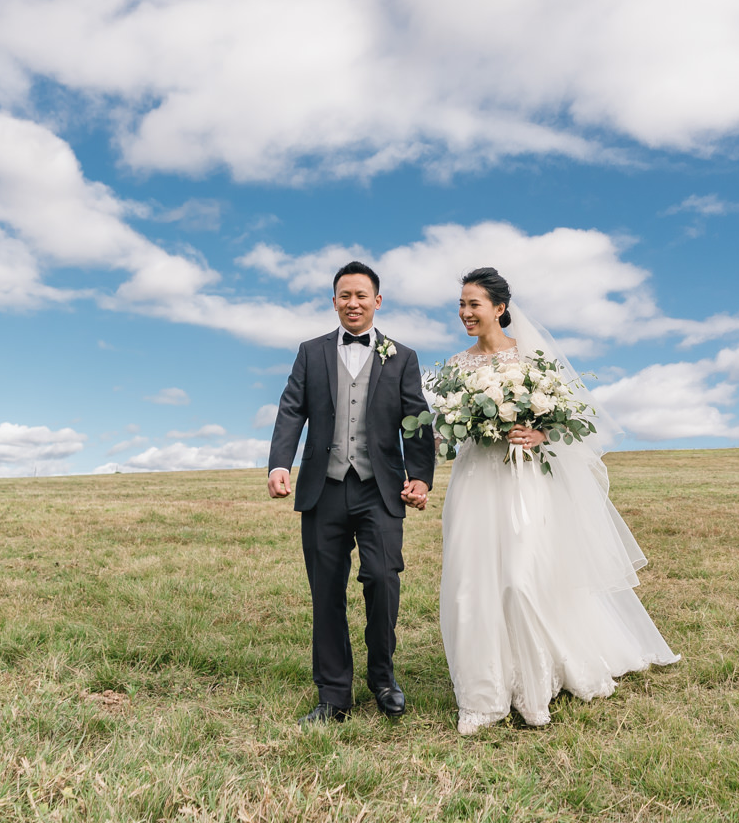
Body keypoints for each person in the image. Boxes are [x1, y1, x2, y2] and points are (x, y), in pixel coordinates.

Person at [438, 267, 679, 735]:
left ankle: (532, 687)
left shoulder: (532, 360)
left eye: (474, 304)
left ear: (500, 309)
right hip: (475, 480)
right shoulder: (456, 366)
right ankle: (483, 695)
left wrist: (539, 431)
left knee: (519, 579)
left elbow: (568, 419)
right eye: (462, 305)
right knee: (472, 582)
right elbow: (445, 429)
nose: (466, 313)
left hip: (524, 481)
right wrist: (460, 425)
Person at [267, 260, 436, 725]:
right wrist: (280, 463)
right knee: (326, 590)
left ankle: (383, 678)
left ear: (377, 301)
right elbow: (290, 410)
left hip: (380, 489)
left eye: (362, 295)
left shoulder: (402, 356)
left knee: (383, 580)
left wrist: (420, 476)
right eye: (345, 295)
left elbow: (416, 419)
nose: (353, 303)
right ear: (334, 300)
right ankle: (333, 694)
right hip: (323, 489)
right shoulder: (310, 351)